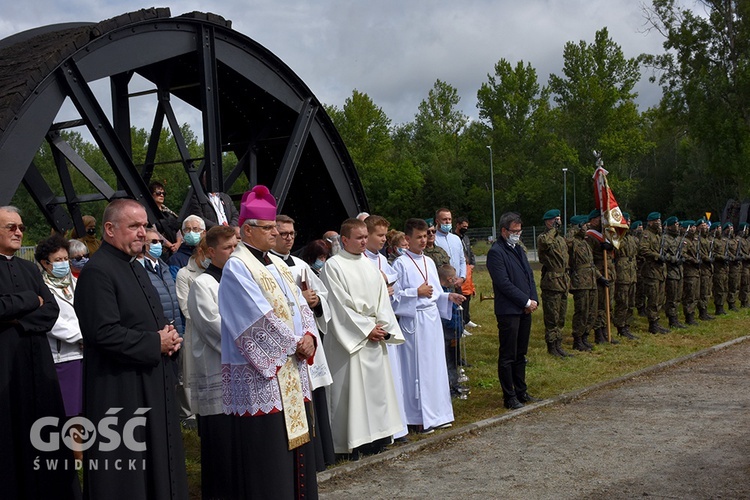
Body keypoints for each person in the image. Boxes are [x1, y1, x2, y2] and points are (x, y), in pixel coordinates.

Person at [74, 199, 187, 499]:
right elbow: (102, 333)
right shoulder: (98, 272)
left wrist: (170, 337)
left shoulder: (133, 266)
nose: (143, 232)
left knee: (158, 463)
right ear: (110, 229)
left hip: (150, 381)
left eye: (145, 225)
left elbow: (151, 318)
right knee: (128, 476)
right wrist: (155, 342)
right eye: (134, 226)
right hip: (120, 389)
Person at [218, 185, 318, 498]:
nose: (275, 232)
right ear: (248, 230)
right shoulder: (237, 266)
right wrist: (293, 345)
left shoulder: (277, 263)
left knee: (297, 452)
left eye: (275, 226)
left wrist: (310, 337)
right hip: (263, 377)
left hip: (292, 367)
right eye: (269, 227)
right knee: (269, 457)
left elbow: (300, 307)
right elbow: (253, 318)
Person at [0, 207, 79, 499]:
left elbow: (51, 310)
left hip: (37, 361)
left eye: (20, 226)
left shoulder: (28, 269)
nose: (19, 232)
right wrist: (28, 301)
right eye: (11, 227)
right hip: (6, 364)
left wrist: (16, 319)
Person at [321, 218, 406, 458]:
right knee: (351, 393)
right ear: (344, 239)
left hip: (374, 336)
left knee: (376, 393)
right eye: (358, 238)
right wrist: (366, 329)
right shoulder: (334, 266)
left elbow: (382, 302)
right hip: (351, 339)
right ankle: (351, 443)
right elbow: (338, 305)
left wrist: (382, 327)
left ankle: (377, 438)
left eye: (365, 237)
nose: (363, 242)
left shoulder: (370, 266)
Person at [271, 214, 336, 470]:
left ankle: (321, 456)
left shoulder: (300, 264)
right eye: (283, 233)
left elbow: (323, 295)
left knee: (315, 396)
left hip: (310, 342)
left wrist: (317, 302)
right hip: (290, 346)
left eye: (292, 233)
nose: (288, 238)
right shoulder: (266, 269)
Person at [392, 218, 465, 432]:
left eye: (425, 236)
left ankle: (438, 413)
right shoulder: (400, 264)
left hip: (431, 320)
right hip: (414, 321)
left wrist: (448, 297)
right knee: (417, 369)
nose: (423, 241)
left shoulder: (429, 262)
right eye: (418, 237)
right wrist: (416, 292)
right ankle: (418, 417)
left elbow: (434, 293)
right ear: (407, 238)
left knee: (435, 367)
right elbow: (393, 298)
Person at [186, 225, 237, 499]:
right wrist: (249, 341)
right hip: (218, 366)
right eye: (227, 248)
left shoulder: (240, 279)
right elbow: (211, 325)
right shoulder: (203, 284)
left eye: (235, 246)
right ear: (210, 252)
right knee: (220, 440)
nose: (233, 252)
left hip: (242, 367)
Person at [487, 212, 540, 410]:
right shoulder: (496, 252)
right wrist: (525, 301)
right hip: (509, 310)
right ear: (503, 231)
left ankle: (521, 390)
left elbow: (529, 276)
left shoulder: (519, 249)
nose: (517, 234)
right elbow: (503, 283)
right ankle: (509, 396)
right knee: (508, 354)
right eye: (514, 231)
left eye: (519, 231)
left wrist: (533, 299)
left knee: (521, 353)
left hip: (525, 309)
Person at [362, 215, 409, 441]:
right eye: (379, 235)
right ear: (366, 234)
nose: (383, 240)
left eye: (384, 235)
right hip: (371, 327)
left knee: (393, 377)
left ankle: (397, 426)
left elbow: (396, 293)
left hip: (388, 322)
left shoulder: (382, 260)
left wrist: (391, 292)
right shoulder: (359, 260)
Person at [35, 234, 84, 421]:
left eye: (65, 259)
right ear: (45, 263)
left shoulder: (77, 283)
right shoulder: (41, 288)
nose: (63, 263)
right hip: (63, 356)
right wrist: (82, 337)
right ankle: (73, 450)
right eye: (58, 260)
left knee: (85, 408)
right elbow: (52, 322)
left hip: (85, 354)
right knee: (70, 411)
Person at [537, 209, 571, 357]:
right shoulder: (544, 237)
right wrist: (553, 230)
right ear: (548, 221)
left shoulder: (560, 239)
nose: (558, 222)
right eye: (555, 220)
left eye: (559, 219)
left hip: (563, 279)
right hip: (552, 280)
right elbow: (545, 244)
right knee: (552, 316)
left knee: (561, 316)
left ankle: (558, 345)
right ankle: (552, 346)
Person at [568, 215, 601, 351]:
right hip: (580, 282)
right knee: (581, 310)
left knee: (591, 311)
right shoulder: (573, 242)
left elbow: (591, 264)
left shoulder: (585, 243)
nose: (586, 227)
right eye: (583, 225)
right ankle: (578, 338)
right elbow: (567, 242)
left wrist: (600, 277)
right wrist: (573, 230)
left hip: (591, 280)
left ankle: (585, 336)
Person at [142, 228, 184, 336]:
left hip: (175, 332)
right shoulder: (141, 271)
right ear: (143, 244)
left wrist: (179, 333)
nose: (158, 245)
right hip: (159, 334)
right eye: (154, 242)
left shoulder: (165, 268)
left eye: (160, 242)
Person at [586, 209, 618, 344]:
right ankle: (599, 333)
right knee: (600, 305)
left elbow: (617, 248)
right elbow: (588, 261)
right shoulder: (590, 236)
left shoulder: (606, 234)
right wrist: (599, 276)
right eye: (599, 218)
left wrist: (611, 246)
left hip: (610, 271)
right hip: (600, 272)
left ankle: (606, 331)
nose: (602, 221)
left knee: (608, 305)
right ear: (593, 220)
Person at [437, 264, 469, 398]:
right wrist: (458, 326)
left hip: (453, 331)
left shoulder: (450, 292)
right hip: (448, 331)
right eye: (454, 278)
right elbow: (448, 314)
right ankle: (450, 385)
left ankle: (455, 383)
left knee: (453, 359)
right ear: (449, 279)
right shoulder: (443, 294)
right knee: (448, 360)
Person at [638, 212, 670, 333]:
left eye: (659, 220)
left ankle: (657, 321)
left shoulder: (659, 236)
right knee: (653, 298)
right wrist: (657, 256)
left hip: (660, 271)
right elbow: (643, 249)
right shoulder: (646, 235)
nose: (658, 222)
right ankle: (653, 324)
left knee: (660, 298)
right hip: (651, 270)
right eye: (656, 220)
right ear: (650, 222)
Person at [613, 212, 639, 338]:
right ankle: (620, 326)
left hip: (632, 273)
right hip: (622, 273)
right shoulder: (617, 237)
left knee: (630, 302)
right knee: (622, 301)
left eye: (628, 221)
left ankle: (627, 325)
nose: (628, 223)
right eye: (625, 221)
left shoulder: (631, 238)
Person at [662, 216, 687, 328]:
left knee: (677, 296)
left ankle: (675, 318)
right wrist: (672, 259)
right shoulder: (665, 238)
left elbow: (683, 252)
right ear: (671, 226)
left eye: (678, 224)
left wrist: (682, 258)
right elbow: (662, 253)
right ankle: (672, 320)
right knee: (672, 297)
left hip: (679, 271)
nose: (677, 226)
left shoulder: (679, 239)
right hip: (670, 271)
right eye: (675, 224)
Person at [455, 216, 478, 328]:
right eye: (463, 226)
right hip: (459, 270)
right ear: (458, 225)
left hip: (468, 268)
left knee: (468, 293)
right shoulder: (454, 238)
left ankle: (467, 318)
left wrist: (472, 263)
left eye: (467, 227)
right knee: (462, 294)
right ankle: (461, 321)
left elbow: (470, 251)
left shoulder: (466, 238)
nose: (465, 228)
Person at [149, 181, 182, 259]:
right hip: (161, 252)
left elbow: (177, 230)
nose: (161, 195)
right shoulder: (149, 213)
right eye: (158, 193)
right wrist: (170, 245)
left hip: (176, 250)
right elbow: (154, 232)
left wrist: (178, 243)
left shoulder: (169, 212)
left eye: (163, 194)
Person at [434, 208, 466, 287]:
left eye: (449, 219)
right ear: (437, 221)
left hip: (457, 283)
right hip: (442, 285)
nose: (447, 222)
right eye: (444, 219)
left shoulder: (456, 239)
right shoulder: (433, 239)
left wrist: (462, 278)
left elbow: (462, 260)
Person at [168, 214, 205, 279]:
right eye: (187, 230)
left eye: (195, 229)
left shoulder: (211, 255)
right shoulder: (176, 259)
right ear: (182, 233)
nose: (191, 232)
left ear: (204, 233)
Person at [680, 221, 701, 325]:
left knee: (696, 295)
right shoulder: (685, 241)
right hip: (689, 271)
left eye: (694, 227)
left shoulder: (695, 241)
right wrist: (692, 260)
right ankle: (688, 317)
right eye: (691, 227)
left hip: (696, 271)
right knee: (690, 295)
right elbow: (682, 254)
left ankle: (692, 315)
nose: (693, 229)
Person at [696, 218, 715, 321]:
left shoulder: (708, 239)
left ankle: (705, 310)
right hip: (702, 268)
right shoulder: (697, 239)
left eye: (706, 226)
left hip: (709, 269)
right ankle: (702, 312)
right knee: (703, 291)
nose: (705, 227)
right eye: (702, 226)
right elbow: (699, 253)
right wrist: (706, 258)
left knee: (707, 290)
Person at [711, 222, 730, 315]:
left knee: (724, 288)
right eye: (718, 228)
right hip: (718, 269)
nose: (720, 229)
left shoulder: (722, 241)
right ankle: (718, 307)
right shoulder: (713, 241)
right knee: (719, 289)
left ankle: (722, 306)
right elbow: (713, 254)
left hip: (724, 269)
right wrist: (722, 257)